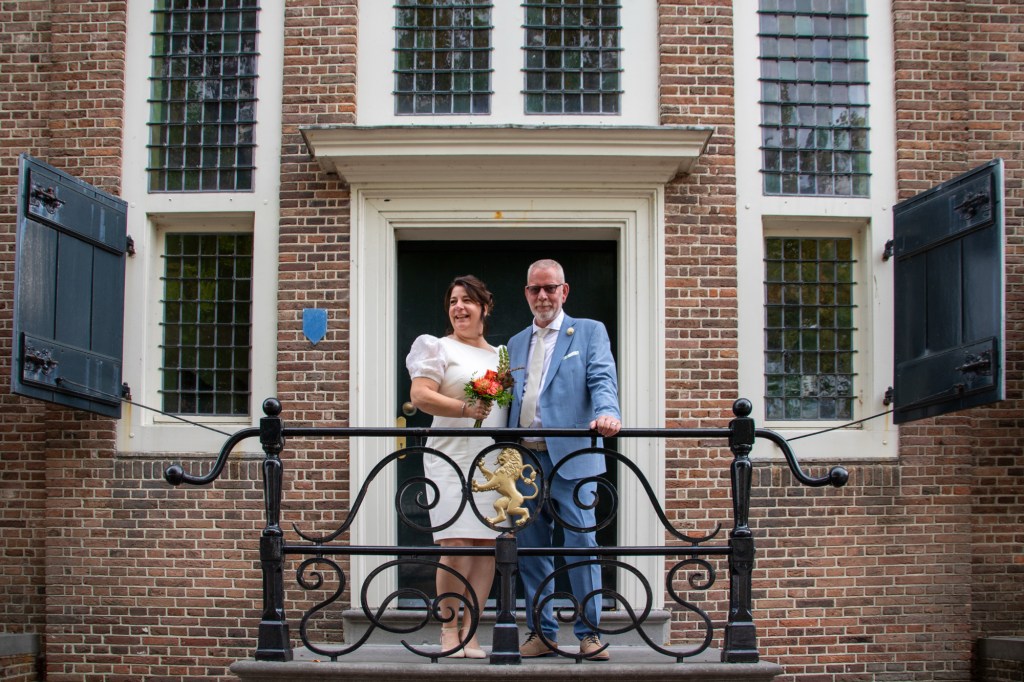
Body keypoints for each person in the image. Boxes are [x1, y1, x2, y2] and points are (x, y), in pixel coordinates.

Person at [506, 259, 621, 661]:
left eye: (550, 288)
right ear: (526, 293)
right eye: (535, 289)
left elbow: (601, 377)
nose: (543, 296)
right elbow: (508, 399)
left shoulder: (588, 332)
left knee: (581, 543)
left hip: (573, 455)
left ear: (564, 291)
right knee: (531, 547)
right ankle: (542, 631)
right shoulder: (515, 343)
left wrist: (609, 414)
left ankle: (589, 633)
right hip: (524, 461)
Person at [405, 274, 507, 659]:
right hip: (449, 456)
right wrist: (465, 408)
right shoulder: (435, 346)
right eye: (453, 301)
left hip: (490, 462)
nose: (459, 307)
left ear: (485, 306)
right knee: (456, 543)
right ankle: (448, 629)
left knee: (485, 547)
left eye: (467, 300)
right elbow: (420, 396)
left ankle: (472, 633)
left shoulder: (500, 356)